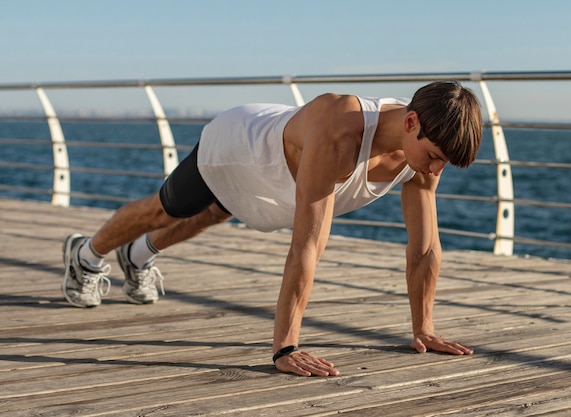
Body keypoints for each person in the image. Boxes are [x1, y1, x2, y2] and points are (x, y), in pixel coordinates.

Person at [62, 81, 483, 377]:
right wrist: (286, 347)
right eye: (433, 156)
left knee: (214, 215)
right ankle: (86, 255)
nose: (434, 169)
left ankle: (136, 257)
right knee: (169, 209)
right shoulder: (341, 127)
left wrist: (423, 329)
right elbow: (308, 243)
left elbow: (424, 249)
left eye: (443, 162)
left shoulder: (424, 152)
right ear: (411, 123)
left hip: (281, 180)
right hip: (241, 147)